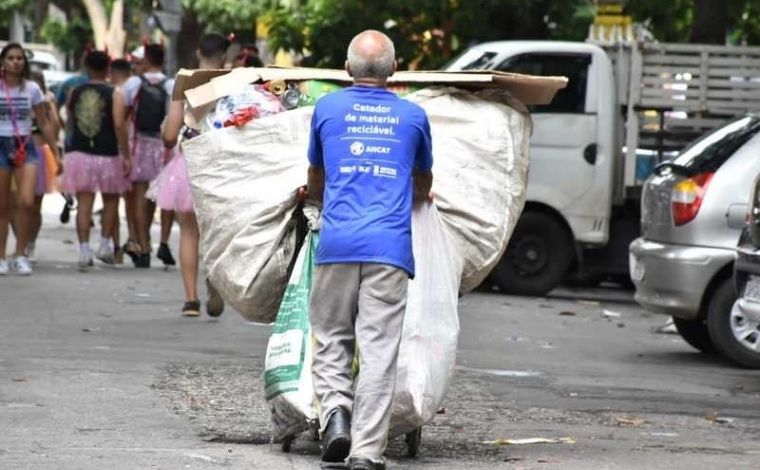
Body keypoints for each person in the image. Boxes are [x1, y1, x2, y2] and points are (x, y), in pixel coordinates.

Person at [306, 30, 433, 470]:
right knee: (378, 349)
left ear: (347, 70)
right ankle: (365, 452)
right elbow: (423, 184)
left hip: (337, 242)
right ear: (394, 70)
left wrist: (316, 199)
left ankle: (336, 413)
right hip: (390, 249)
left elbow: (316, 175)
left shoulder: (327, 108)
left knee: (330, 336)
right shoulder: (414, 117)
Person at [152, 32, 228, 317]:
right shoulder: (234, 82)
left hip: (189, 164)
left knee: (188, 232)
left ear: (198, 53)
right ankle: (217, 279)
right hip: (223, 165)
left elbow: (170, 136)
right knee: (219, 233)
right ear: (224, 56)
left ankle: (191, 300)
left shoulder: (182, 82)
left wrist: (171, 132)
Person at [57, 50, 131, 268]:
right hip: (107, 153)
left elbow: (69, 119)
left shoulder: (75, 91)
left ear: (86, 66)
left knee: (84, 203)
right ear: (108, 68)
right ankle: (105, 245)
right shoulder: (114, 93)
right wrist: (126, 154)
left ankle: (83, 250)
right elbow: (119, 124)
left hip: (79, 152)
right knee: (110, 201)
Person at [0, 43, 61, 276]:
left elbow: (44, 122)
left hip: (25, 146)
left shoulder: (33, 88)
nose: (16, 62)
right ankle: (2, 256)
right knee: (3, 206)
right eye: (11, 58)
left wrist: (55, 151)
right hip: (1, 144)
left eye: (20, 58)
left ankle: (21, 253)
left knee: (27, 202)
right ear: (3, 62)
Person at [121, 43, 175, 268]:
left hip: (140, 144)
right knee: (161, 197)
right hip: (163, 146)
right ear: (163, 60)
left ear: (146, 60)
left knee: (141, 196)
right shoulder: (171, 85)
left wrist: (124, 148)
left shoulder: (133, 83)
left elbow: (123, 115)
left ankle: (143, 247)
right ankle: (160, 241)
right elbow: (174, 117)